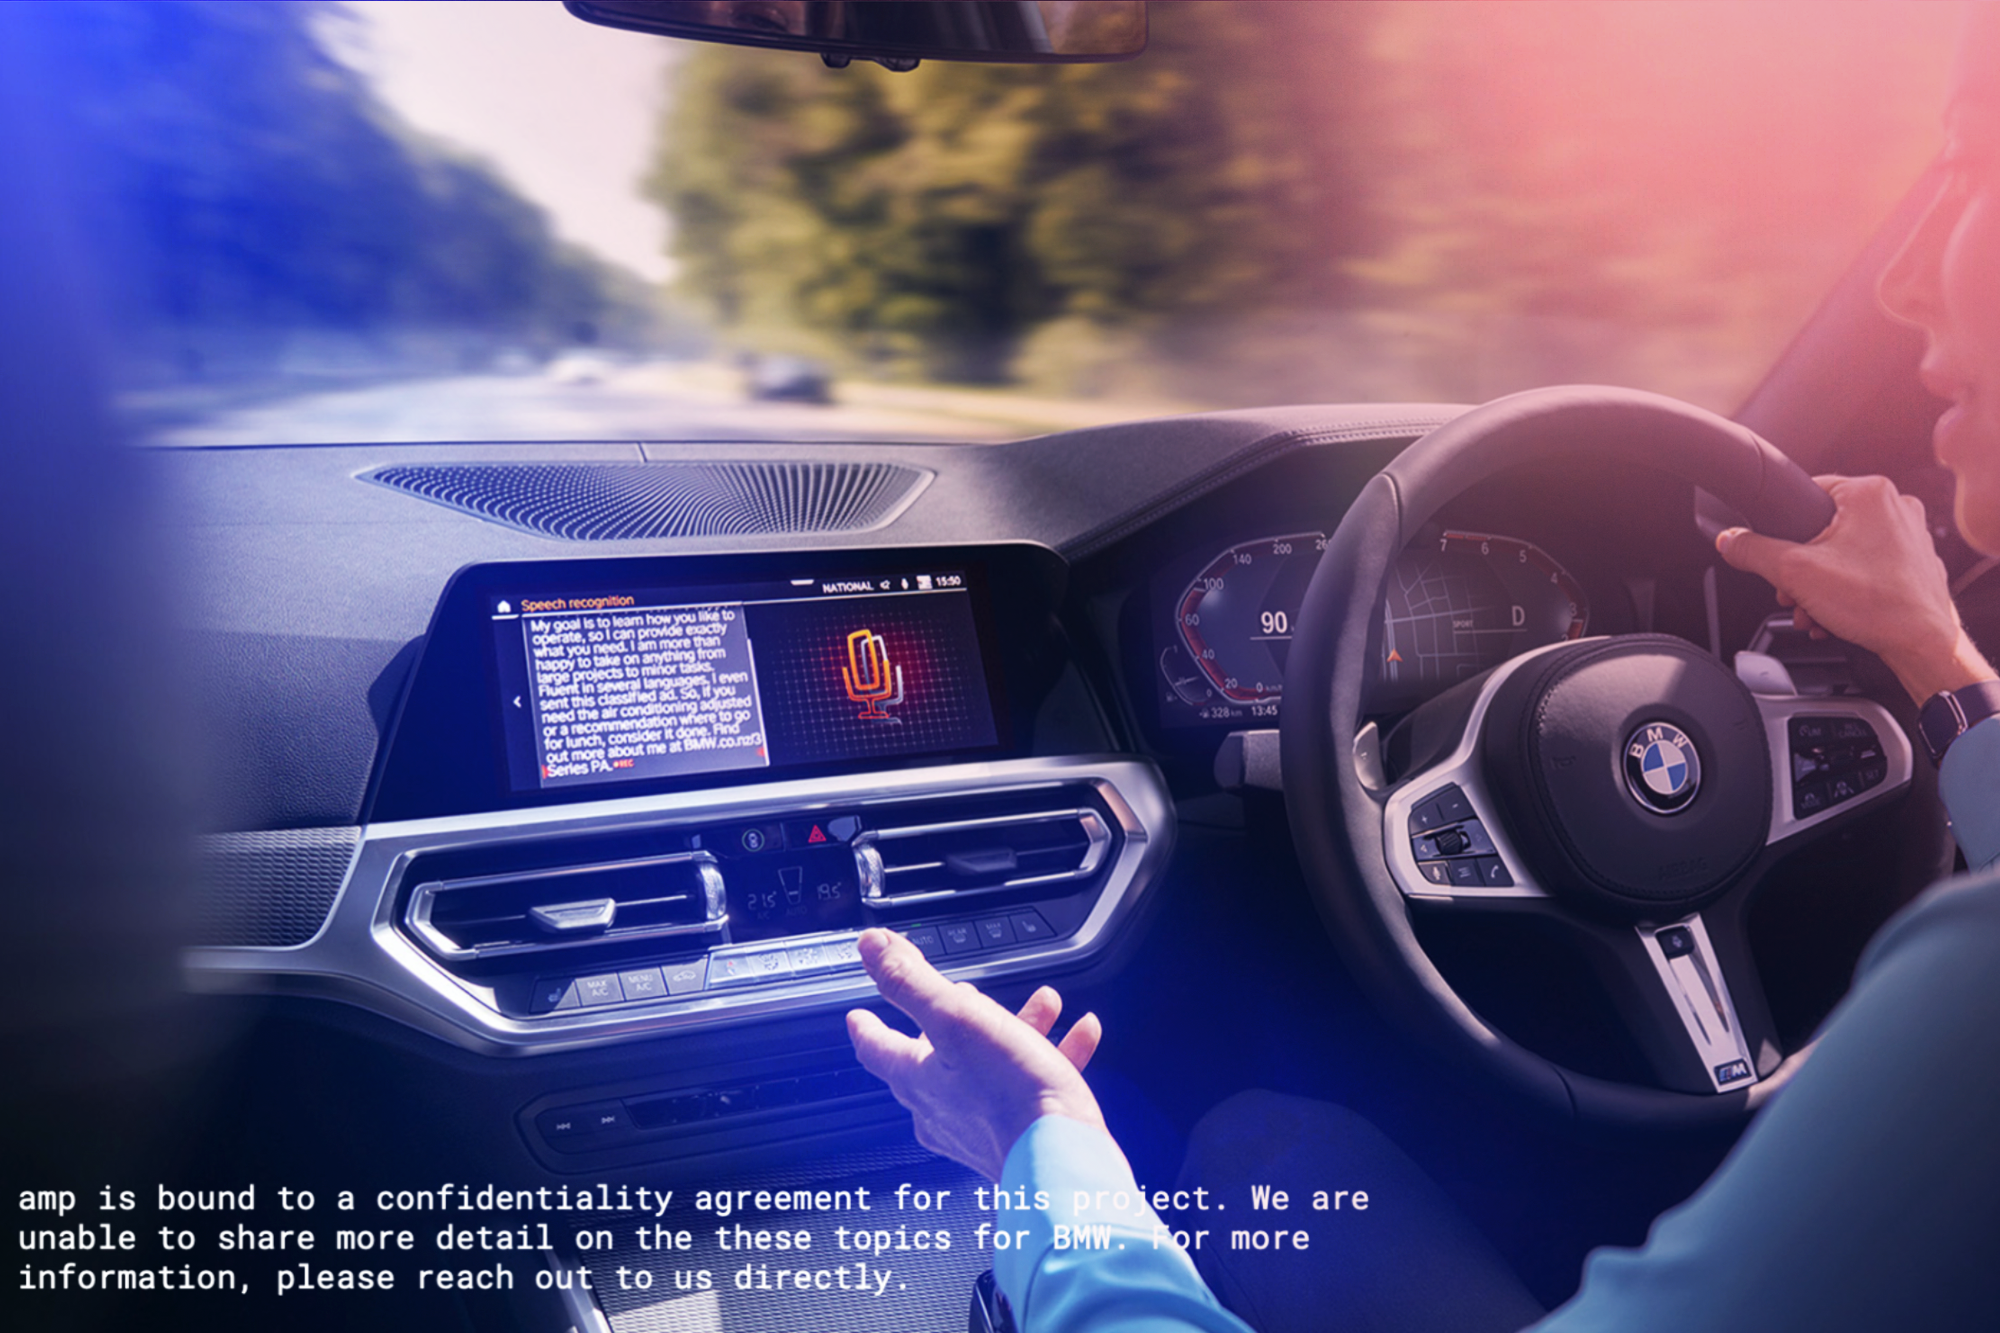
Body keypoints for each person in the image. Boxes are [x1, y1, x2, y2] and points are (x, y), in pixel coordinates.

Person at [847, 6, 2000, 1329]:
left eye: (1964, 177)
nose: (1905, 282)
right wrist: (1935, 654)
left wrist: (1043, 1159)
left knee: (1261, 1148)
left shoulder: (1972, 987)